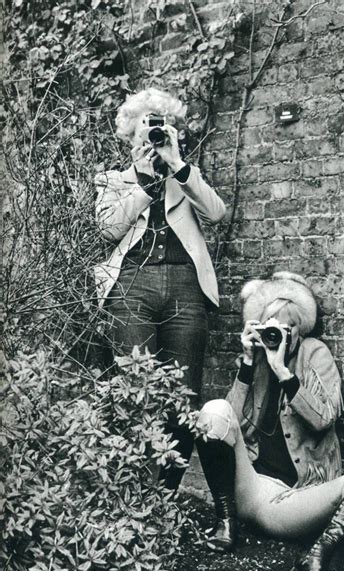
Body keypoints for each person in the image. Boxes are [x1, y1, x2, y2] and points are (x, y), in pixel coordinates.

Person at [196, 272, 344, 571]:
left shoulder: (315, 354)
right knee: (211, 410)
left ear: (298, 330)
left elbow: (323, 418)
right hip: (252, 489)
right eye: (266, 327)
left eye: (282, 329)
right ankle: (226, 523)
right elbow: (228, 427)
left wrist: (284, 373)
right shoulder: (255, 361)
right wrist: (247, 362)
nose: (273, 336)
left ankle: (313, 561)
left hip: (297, 501)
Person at [94, 88, 226, 489]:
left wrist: (177, 166)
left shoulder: (186, 177)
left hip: (185, 288)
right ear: (130, 139)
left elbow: (217, 213)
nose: (148, 141)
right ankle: (133, 493)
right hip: (131, 288)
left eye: (156, 132)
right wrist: (145, 183)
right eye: (141, 135)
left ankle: (164, 496)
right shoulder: (113, 180)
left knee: (183, 398)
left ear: (171, 134)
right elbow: (107, 228)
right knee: (136, 392)